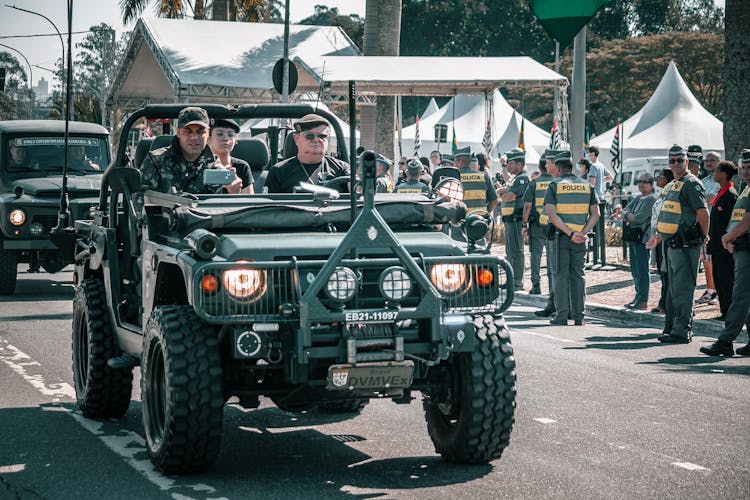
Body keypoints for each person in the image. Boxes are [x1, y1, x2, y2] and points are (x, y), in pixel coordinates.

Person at [646, 145, 709, 344]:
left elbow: (703, 213)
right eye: (672, 161)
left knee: (683, 289)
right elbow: (668, 216)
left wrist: (704, 236)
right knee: (673, 290)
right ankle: (672, 327)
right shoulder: (673, 184)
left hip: (686, 244)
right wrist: (658, 237)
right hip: (670, 244)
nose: (675, 164)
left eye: (679, 160)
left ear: (687, 162)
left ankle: (682, 330)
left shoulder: (691, 183)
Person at [700, 150, 750, 357]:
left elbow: (746, 222)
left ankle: (726, 340)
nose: (746, 171)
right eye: (744, 167)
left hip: (745, 248)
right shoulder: (746, 190)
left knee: (739, 297)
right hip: (740, 248)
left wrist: (727, 238)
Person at [545, 150, 600, 326]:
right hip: (580, 240)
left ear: (558, 168)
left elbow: (552, 216)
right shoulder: (587, 186)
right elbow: (596, 214)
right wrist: (582, 233)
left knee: (560, 276)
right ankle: (579, 316)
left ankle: (561, 315)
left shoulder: (554, 185)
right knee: (578, 275)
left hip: (561, 238)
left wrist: (570, 233)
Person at [141, 106, 238, 195]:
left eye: (200, 132)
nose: (194, 137)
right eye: (188, 131)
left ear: (208, 133)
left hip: (203, 213)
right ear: (178, 132)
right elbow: (140, 202)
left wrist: (232, 191)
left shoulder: (213, 166)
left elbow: (221, 208)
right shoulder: (157, 161)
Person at [264, 114, 350, 193]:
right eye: (309, 136)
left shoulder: (341, 169)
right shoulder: (279, 172)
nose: (316, 140)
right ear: (297, 139)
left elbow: (356, 192)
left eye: (322, 136)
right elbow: (268, 207)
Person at [706, 160, 739, 320]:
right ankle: (724, 310)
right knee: (719, 278)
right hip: (717, 245)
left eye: (717, 171)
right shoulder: (722, 192)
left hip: (725, 246)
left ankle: (729, 312)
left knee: (726, 279)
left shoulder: (731, 195)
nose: (714, 174)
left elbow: (733, 222)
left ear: (724, 174)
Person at [621, 173, 657, 310]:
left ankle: (643, 299)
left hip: (643, 238)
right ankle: (638, 296)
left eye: (645, 181)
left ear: (651, 184)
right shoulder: (638, 198)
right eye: (639, 181)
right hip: (633, 237)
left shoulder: (651, 200)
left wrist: (628, 216)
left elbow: (639, 218)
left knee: (642, 269)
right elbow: (625, 210)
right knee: (634, 269)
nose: (642, 184)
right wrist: (628, 215)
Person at [523, 152, 554, 296]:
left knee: (536, 255)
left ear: (540, 168)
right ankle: (552, 287)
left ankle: (536, 285)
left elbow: (527, 206)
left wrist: (524, 225)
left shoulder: (534, 183)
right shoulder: (556, 182)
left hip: (536, 226)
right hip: (554, 225)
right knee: (552, 255)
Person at [498, 147, 529, 291]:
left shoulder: (522, 179)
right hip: (509, 219)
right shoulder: (515, 179)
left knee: (517, 251)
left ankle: (517, 281)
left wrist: (502, 195)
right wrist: (504, 191)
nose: (509, 166)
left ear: (519, 165)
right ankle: (511, 280)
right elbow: (506, 188)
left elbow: (510, 196)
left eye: (511, 163)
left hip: (516, 219)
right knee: (510, 252)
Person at [695, 149, 721, 305]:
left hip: (717, 227)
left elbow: (710, 200)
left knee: (716, 261)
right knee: (706, 260)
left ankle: (719, 291)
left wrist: (700, 201)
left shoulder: (722, 180)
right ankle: (710, 291)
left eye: (712, 160)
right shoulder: (703, 182)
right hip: (704, 226)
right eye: (707, 160)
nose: (709, 163)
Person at [649, 168, 675, 314]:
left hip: (665, 237)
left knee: (666, 272)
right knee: (662, 271)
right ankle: (663, 301)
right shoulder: (662, 195)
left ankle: (666, 303)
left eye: (660, 177)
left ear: (666, 179)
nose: (657, 179)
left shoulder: (670, 196)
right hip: (657, 237)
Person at [208, 118, 254, 194]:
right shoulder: (201, 166)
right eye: (220, 134)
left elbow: (250, 202)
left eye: (230, 135)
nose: (226, 138)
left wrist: (235, 192)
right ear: (209, 138)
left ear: (235, 140)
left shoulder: (242, 167)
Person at [456, 146, 498, 216]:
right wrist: (485, 213)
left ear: (460, 161)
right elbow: (494, 200)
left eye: (455, 161)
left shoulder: (455, 177)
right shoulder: (483, 176)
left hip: (459, 221)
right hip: (479, 221)